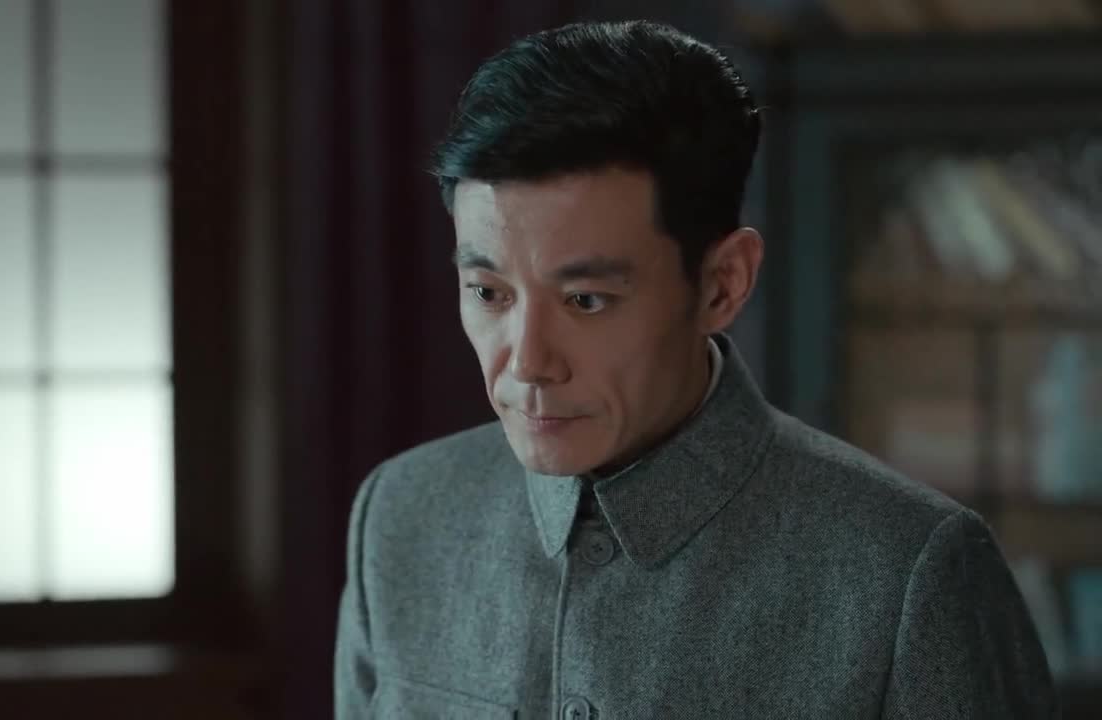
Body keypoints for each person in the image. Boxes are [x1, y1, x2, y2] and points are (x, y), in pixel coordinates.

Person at [334, 19, 1059, 719]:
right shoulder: (403, 516)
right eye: (489, 293)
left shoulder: (911, 573)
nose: (528, 363)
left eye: (586, 300)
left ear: (722, 285)